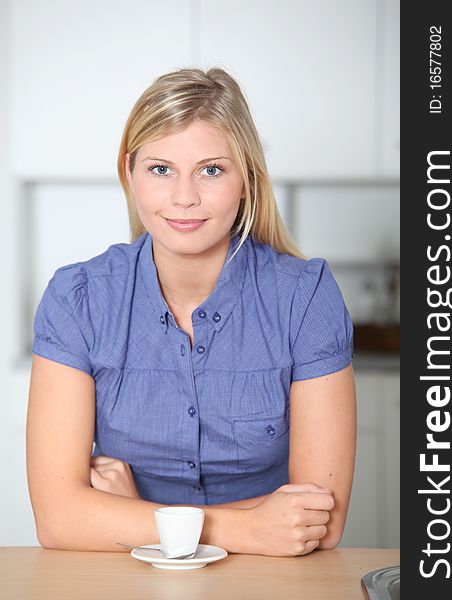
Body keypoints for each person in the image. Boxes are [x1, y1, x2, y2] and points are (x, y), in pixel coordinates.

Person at [26, 67, 356, 557]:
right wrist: (242, 528)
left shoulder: (305, 298)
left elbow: (318, 524)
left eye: (212, 170)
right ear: (129, 173)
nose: (184, 197)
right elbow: (58, 519)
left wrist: (135, 516)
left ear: (247, 179)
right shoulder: (78, 299)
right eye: (160, 169)